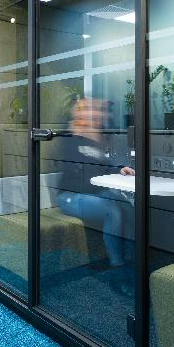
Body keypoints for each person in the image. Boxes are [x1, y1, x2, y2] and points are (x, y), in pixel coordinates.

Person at [56, 97, 134, 270]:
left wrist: (120, 169)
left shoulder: (93, 138)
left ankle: (131, 258)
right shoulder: (69, 135)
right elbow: (78, 171)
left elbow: (103, 165)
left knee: (128, 207)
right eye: (84, 109)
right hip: (70, 196)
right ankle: (117, 264)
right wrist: (82, 133)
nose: (93, 114)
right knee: (112, 211)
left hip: (93, 193)